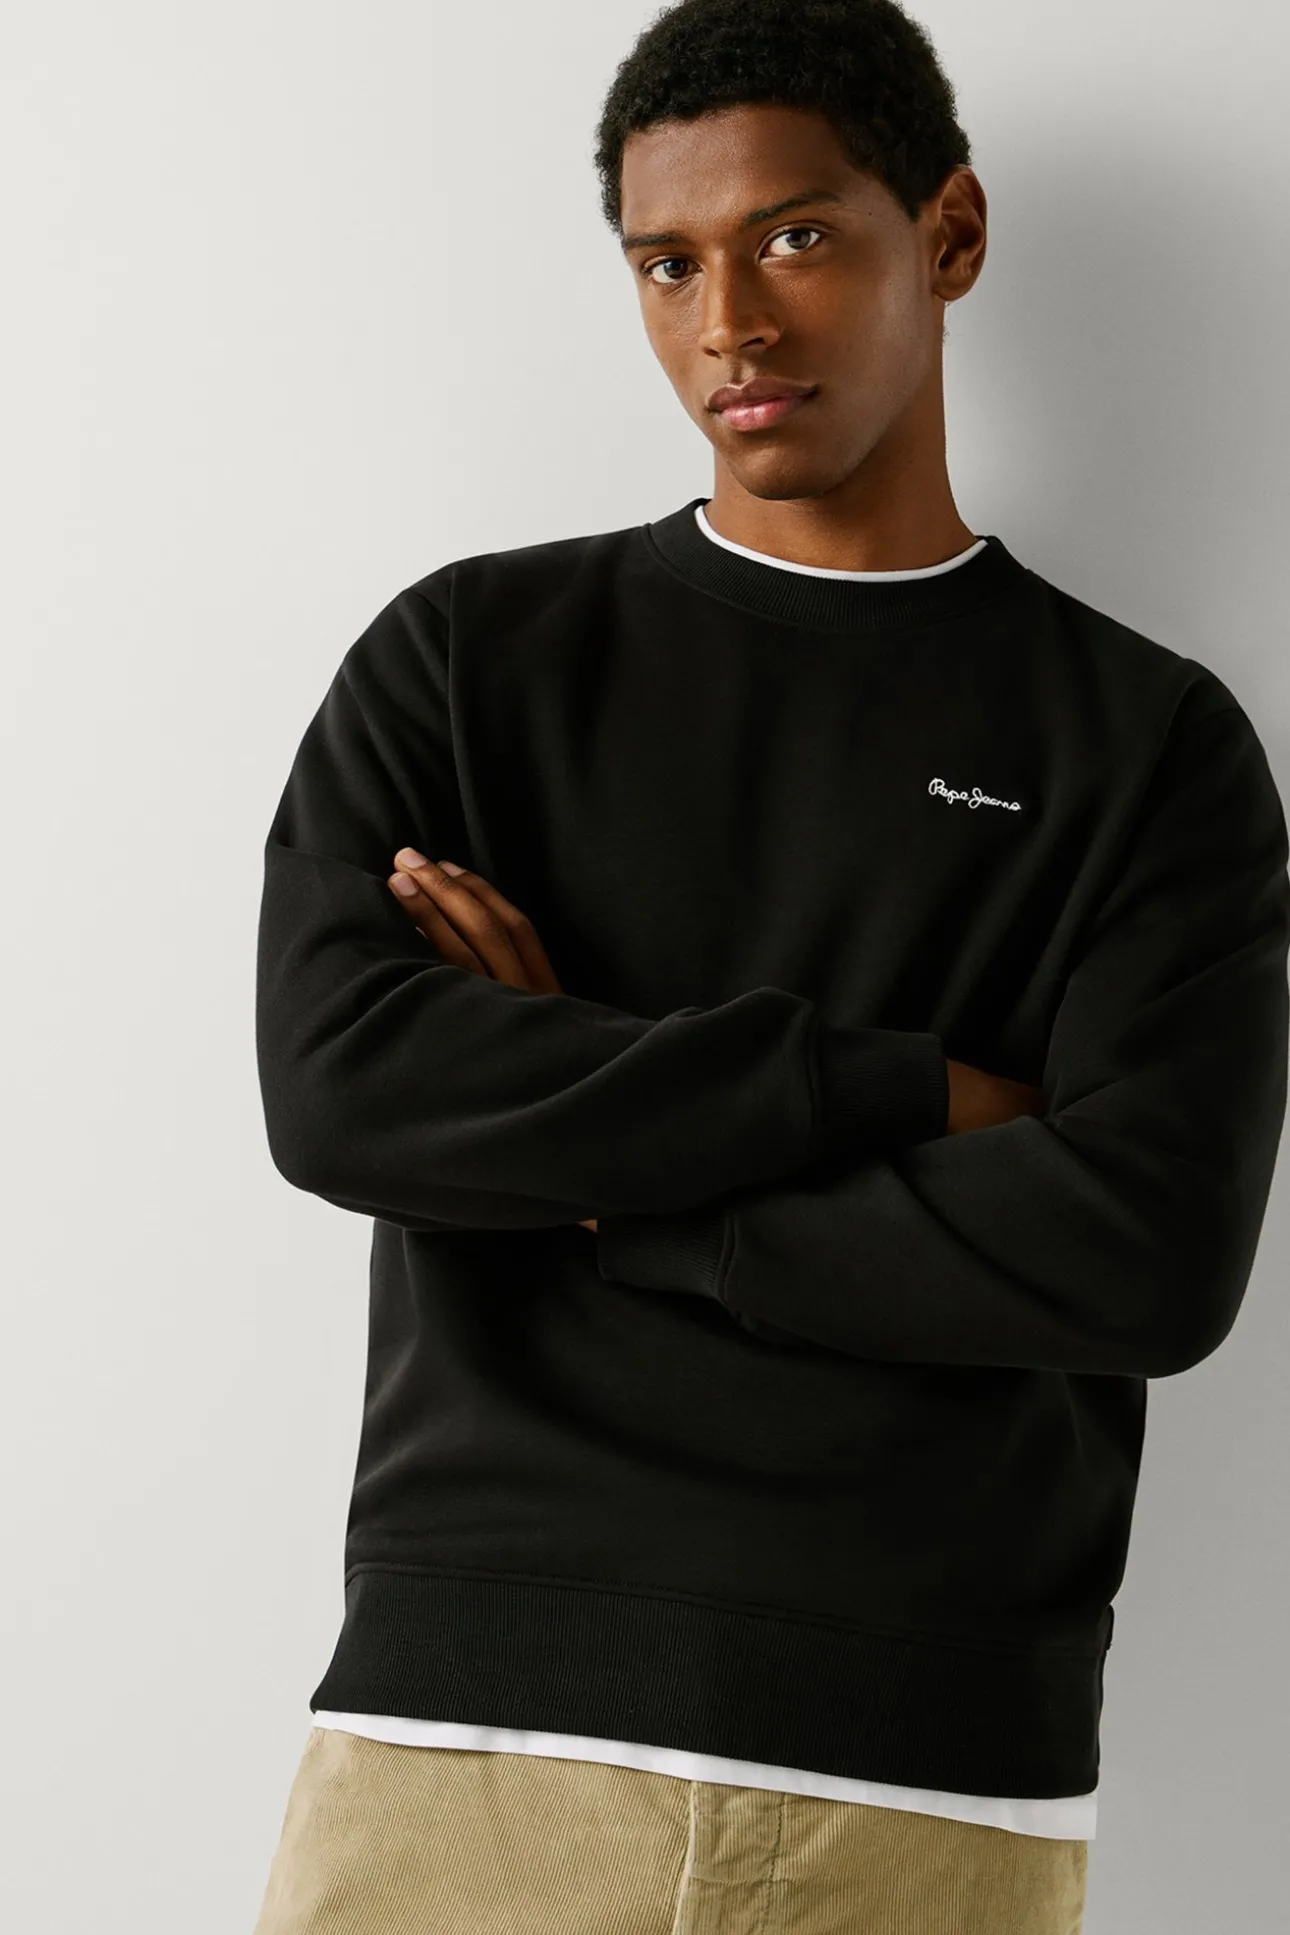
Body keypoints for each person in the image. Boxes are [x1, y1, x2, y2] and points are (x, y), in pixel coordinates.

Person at [250, 2, 1290, 1930]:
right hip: (471, 1738)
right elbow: (347, 1095)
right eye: (667, 263)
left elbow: (1145, 1250)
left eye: (794, 235)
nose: (727, 320)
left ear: (947, 234)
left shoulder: (1147, 745)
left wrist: (586, 1160)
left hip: (930, 1771)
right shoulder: (469, 664)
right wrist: (894, 1088)